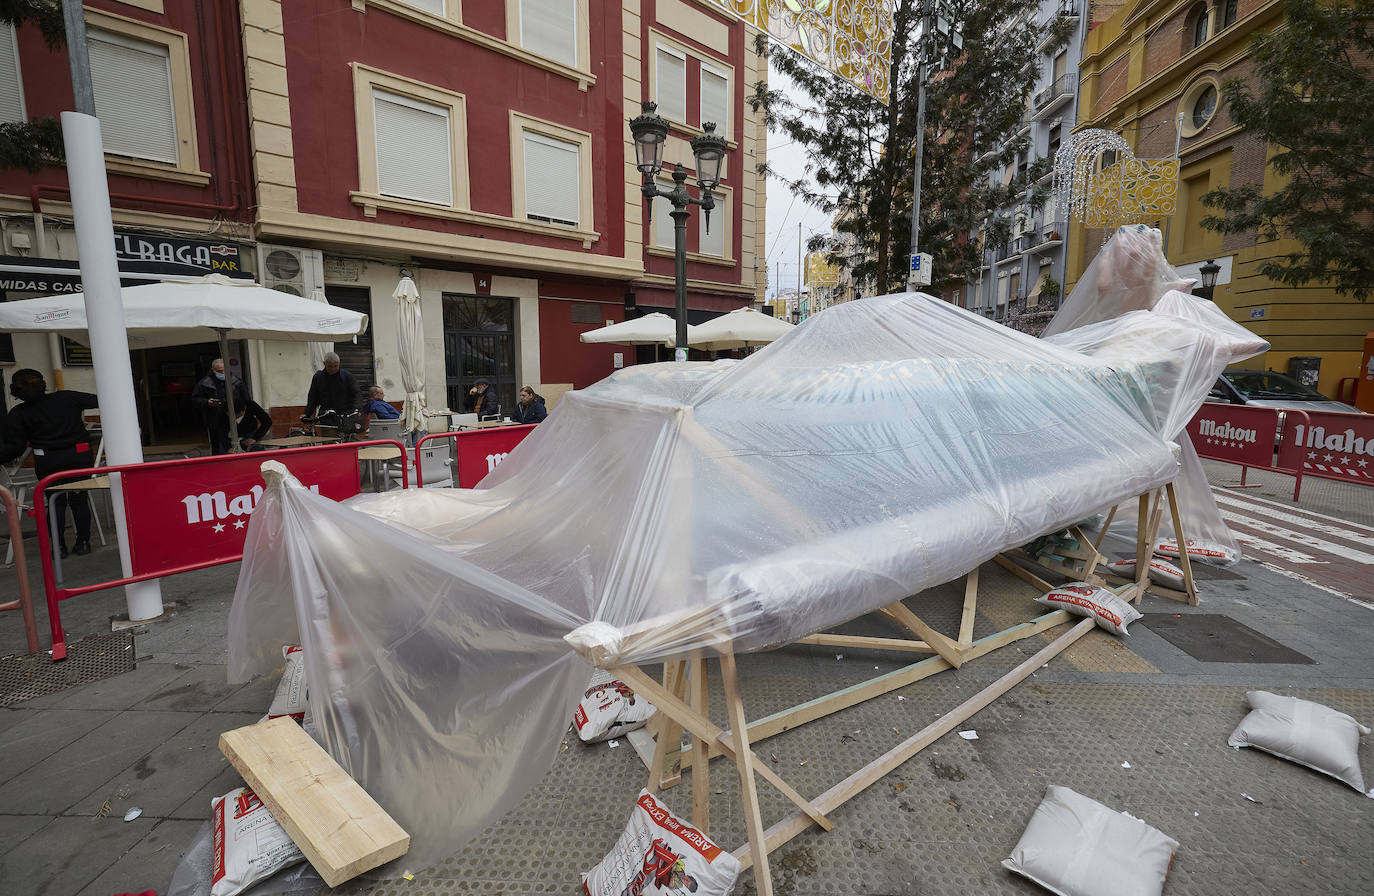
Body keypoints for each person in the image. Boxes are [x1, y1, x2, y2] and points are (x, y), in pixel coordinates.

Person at [0, 369, 97, 557]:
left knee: (55, 503)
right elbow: (103, 399)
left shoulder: (18, 414)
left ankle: (58, 548)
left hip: (48, 460)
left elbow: (15, 448)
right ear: (43, 384)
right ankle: (83, 542)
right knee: (79, 500)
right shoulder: (68, 398)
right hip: (79, 455)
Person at [192, 359, 272, 453]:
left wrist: (254, 438)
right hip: (216, 418)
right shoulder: (204, 383)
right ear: (213, 370)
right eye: (219, 371)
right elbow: (195, 399)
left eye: (224, 370)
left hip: (246, 426)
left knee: (252, 448)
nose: (222, 373)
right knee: (219, 447)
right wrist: (207, 402)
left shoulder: (237, 382)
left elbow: (265, 420)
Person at [305, 352, 362, 422]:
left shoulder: (347, 376)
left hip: (345, 416)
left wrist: (356, 409)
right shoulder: (318, 377)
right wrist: (307, 413)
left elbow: (357, 393)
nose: (333, 369)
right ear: (324, 364)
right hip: (326, 415)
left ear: (339, 364)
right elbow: (313, 397)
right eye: (330, 366)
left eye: (335, 366)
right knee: (328, 433)